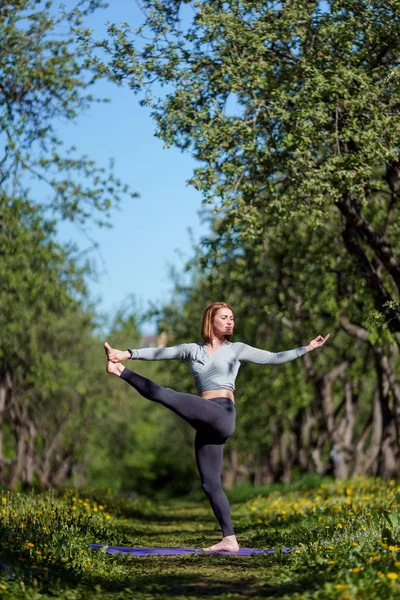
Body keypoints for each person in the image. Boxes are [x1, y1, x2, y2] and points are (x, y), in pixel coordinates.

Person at [104, 302, 329, 553]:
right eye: (225, 317)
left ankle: (119, 370)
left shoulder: (237, 349)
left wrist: (307, 348)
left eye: (232, 318)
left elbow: (274, 358)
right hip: (206, 421)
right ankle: (230, 538)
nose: (231, 321)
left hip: (222, 414)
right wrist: (128, 352)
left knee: (165, 394)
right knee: (210, 484)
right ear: (211, 320)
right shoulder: (192, 350)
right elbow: (160, 352)